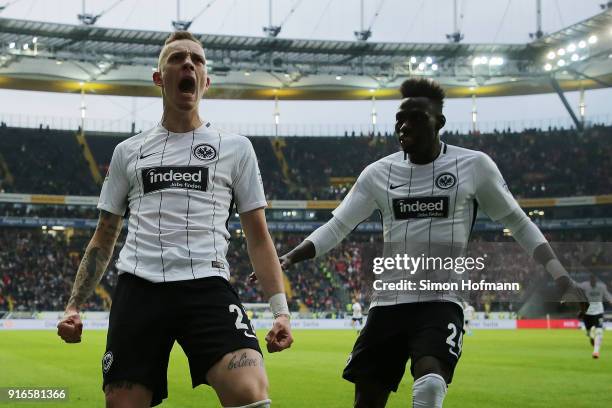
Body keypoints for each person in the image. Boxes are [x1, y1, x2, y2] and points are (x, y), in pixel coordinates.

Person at [262, 78, 588, 408]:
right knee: (366, 402)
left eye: (416, 117)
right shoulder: (378, 173)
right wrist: (289, 257)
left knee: (430, 385)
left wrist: (562, 277)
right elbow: (337, 226)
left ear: (439, 123)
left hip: (441, 299)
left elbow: (518, 222)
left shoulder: (474, 166)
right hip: (387, 304)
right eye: (400, 119)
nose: (404, 126)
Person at [57, 31, 293, 408]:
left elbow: (259, 238)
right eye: (177, 58)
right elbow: (104, 235)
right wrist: (73, 306)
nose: (188, 64)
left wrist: (280, 311)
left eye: (197, 60)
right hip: (140, 286)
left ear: (205, 81)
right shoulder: (128, 152)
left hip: (207, 284)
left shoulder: (236, 149)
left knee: (250, 391)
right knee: (122, 403)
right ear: (158, 77)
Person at [577, 273, 612, 358]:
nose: (593, 281)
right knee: (589, 332)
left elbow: (608, 296)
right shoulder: (584, 286)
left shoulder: (602, 287)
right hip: (587, 313)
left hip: (598, 312)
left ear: (596, 280)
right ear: (590, 280)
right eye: (592, 279)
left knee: (599, 331)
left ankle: (596, 352)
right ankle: (590, 335)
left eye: (595, 279)